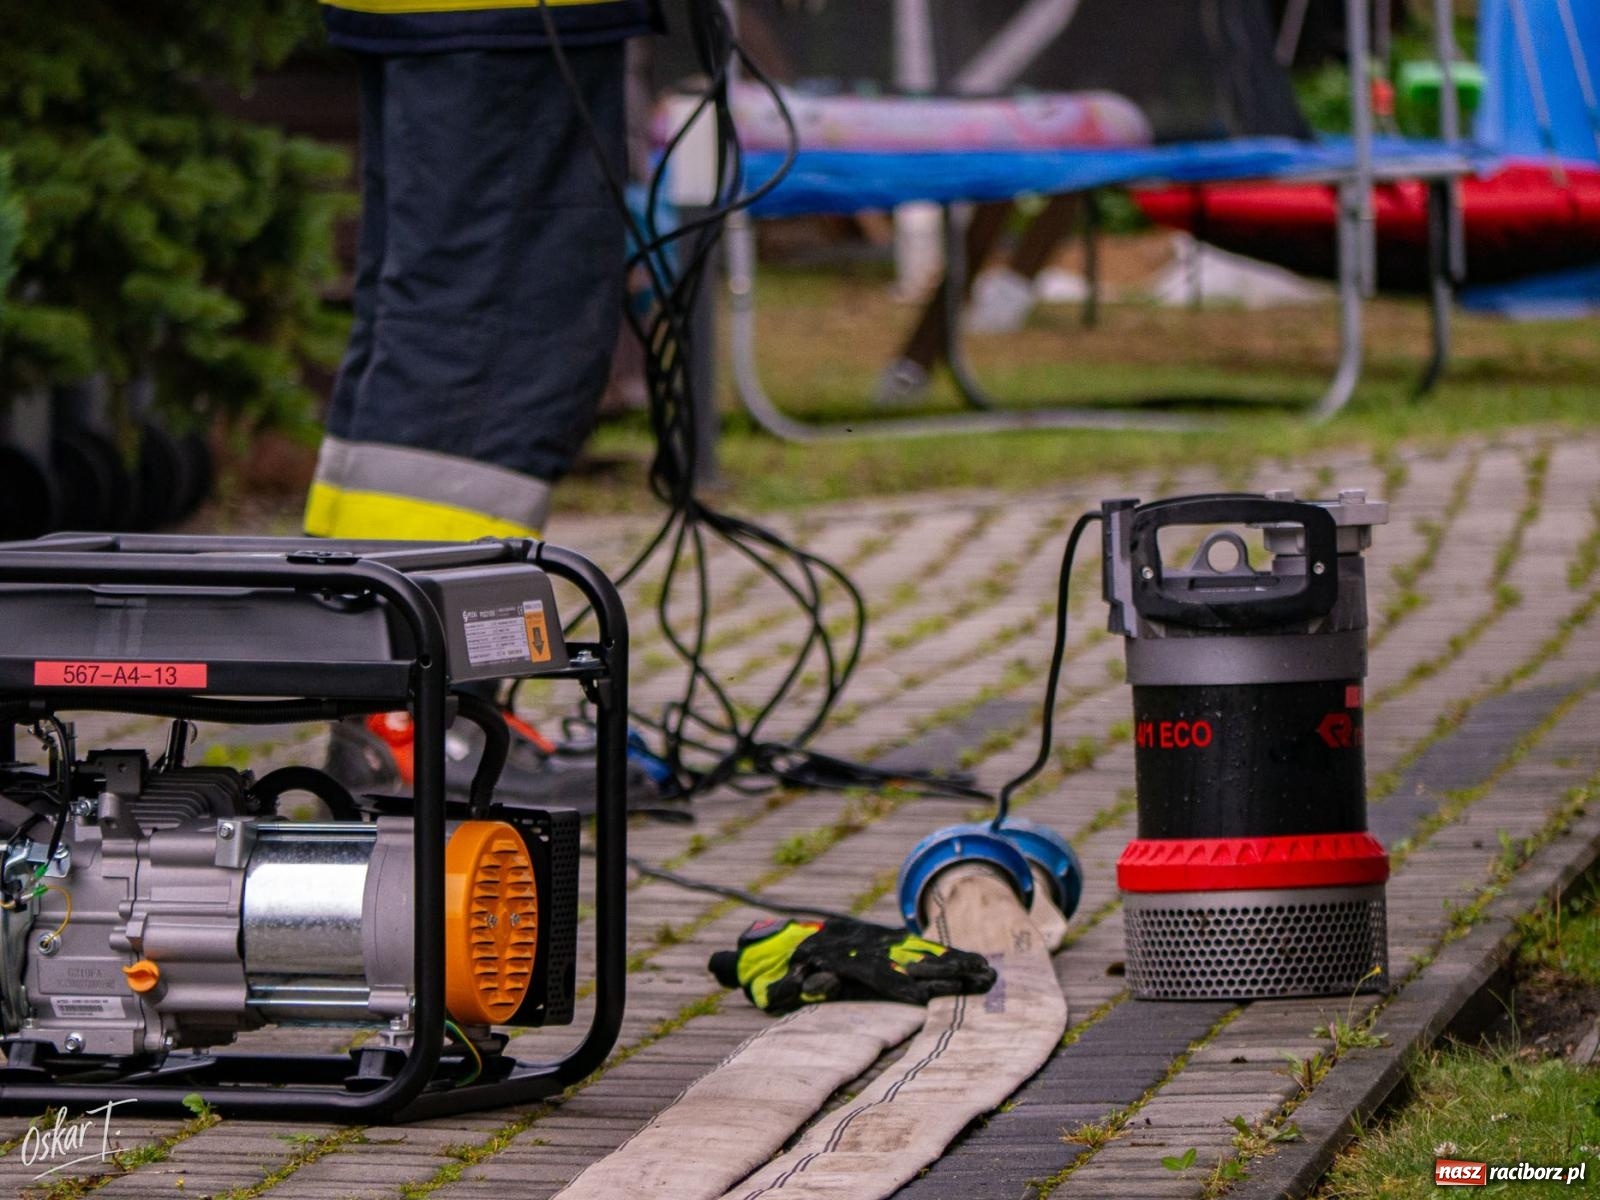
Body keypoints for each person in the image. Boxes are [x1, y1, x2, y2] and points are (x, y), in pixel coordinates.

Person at [311, 0, 662, 806]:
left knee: (429, 311)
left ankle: (386, 699)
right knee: (492, 337)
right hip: (504, 16)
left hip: (453, 18)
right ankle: (416, 720)